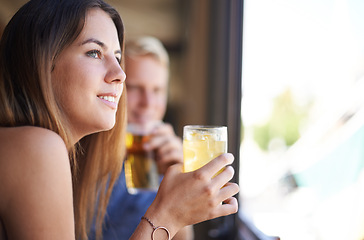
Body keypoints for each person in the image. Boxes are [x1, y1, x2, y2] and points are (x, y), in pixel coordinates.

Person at [0, 0, 239, 240]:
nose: (120, 75)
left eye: (117, 57)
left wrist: (177, 202)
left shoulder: (52, 149)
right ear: (41, 61)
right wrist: (168, 215)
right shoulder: (38, 147)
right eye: (94, 52)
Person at [89, 36, 193, 240]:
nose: (148, 103)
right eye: (135, 88)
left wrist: (180, 181)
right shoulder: (83, 150)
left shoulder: (166, 157)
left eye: (157, 90)